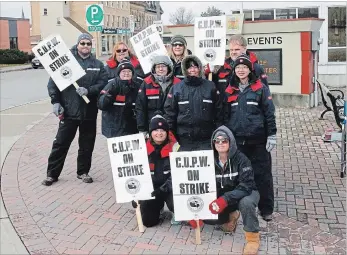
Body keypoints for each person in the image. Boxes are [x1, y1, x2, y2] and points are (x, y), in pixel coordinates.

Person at [42, 33, 108, 186]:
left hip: (89, 112)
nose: (85, 46)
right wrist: (55, 101)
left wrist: (89, 90)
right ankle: (52, 174)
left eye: (88, 44)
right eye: (82, 43)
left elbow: (103, 83)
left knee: (87, 144)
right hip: (69, 111)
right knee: (60, 143)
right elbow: (53, 84)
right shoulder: (66, 62)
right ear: (77, 44)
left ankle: (83, 172)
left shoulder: (98, 65)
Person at [224, 54, 277, 221]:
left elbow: (269, 113)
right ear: (234, 70)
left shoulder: (260, 88)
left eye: (244, 67)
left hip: (258, 141)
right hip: (238, 142)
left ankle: (266, 209)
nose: (241, 70)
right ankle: (238, 208)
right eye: (238, 67)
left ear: (250, 69)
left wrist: (272, 135)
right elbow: (225, 116)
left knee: (263, 175)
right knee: (238, 176)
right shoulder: (229, 89)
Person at [207, 126, 260, 254]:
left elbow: (246, 185)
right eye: (217, 140)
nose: (220, 143)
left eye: (224, 140)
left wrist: (225, 199)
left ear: (230, 142)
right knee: (208, 218)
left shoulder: (241, 159)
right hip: (226, 195)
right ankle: (230, 216)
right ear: (213, 143)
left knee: (246, 203)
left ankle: (253, 239)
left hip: (246, 192)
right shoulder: (209, 160)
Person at [164, 55, 223, 151]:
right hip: (183, 140)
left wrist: (218, 133)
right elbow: (170, 114)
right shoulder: (176, 88)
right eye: (189, 67)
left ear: (199, 68)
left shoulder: (210, 86)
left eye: (195, 67)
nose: (193, 70)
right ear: (185, 69)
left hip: (206, 140)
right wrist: (172, 137)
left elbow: (219, 112)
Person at [132, 115, 180, 227]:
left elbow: (178, 176)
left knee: (177, 199)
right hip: (151, 189)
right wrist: (134, 194)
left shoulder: (176, 148)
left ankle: (176, 211)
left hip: (169, 188)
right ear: (150, 133)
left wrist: (162, 190)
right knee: (148, 222)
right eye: (156, 130)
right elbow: (136, 174)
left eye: (162, 130)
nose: (159, 133)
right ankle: (158, 208)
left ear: (167, 132)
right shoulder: (141, 148)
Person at [205, 34, 268, 98]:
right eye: (231, 50)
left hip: (246, 106)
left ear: (245, 49)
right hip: (224, 106)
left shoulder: (256, 68)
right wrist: (207, 73)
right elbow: (210, 86)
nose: (233, 52)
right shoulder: (221, 67)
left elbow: (265, 94)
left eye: (237, 49)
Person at [135, 55, 181, 137]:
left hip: (173, 127)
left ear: (169, 67)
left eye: (163, 66)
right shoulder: (146, 83)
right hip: (153, 128)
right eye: (158, 67)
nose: (161, 69)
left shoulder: (178, 83)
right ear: (154, 69)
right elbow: (140, 108)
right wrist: (142, 129)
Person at [98, 59, 141, 138]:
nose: (126, 73)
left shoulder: (137, 86)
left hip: (132, 128)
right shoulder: (112, 85)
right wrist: (109, 95)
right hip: (114, 128)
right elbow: (101, 105)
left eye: (129, 71)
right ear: (119, 73)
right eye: (123, 71)